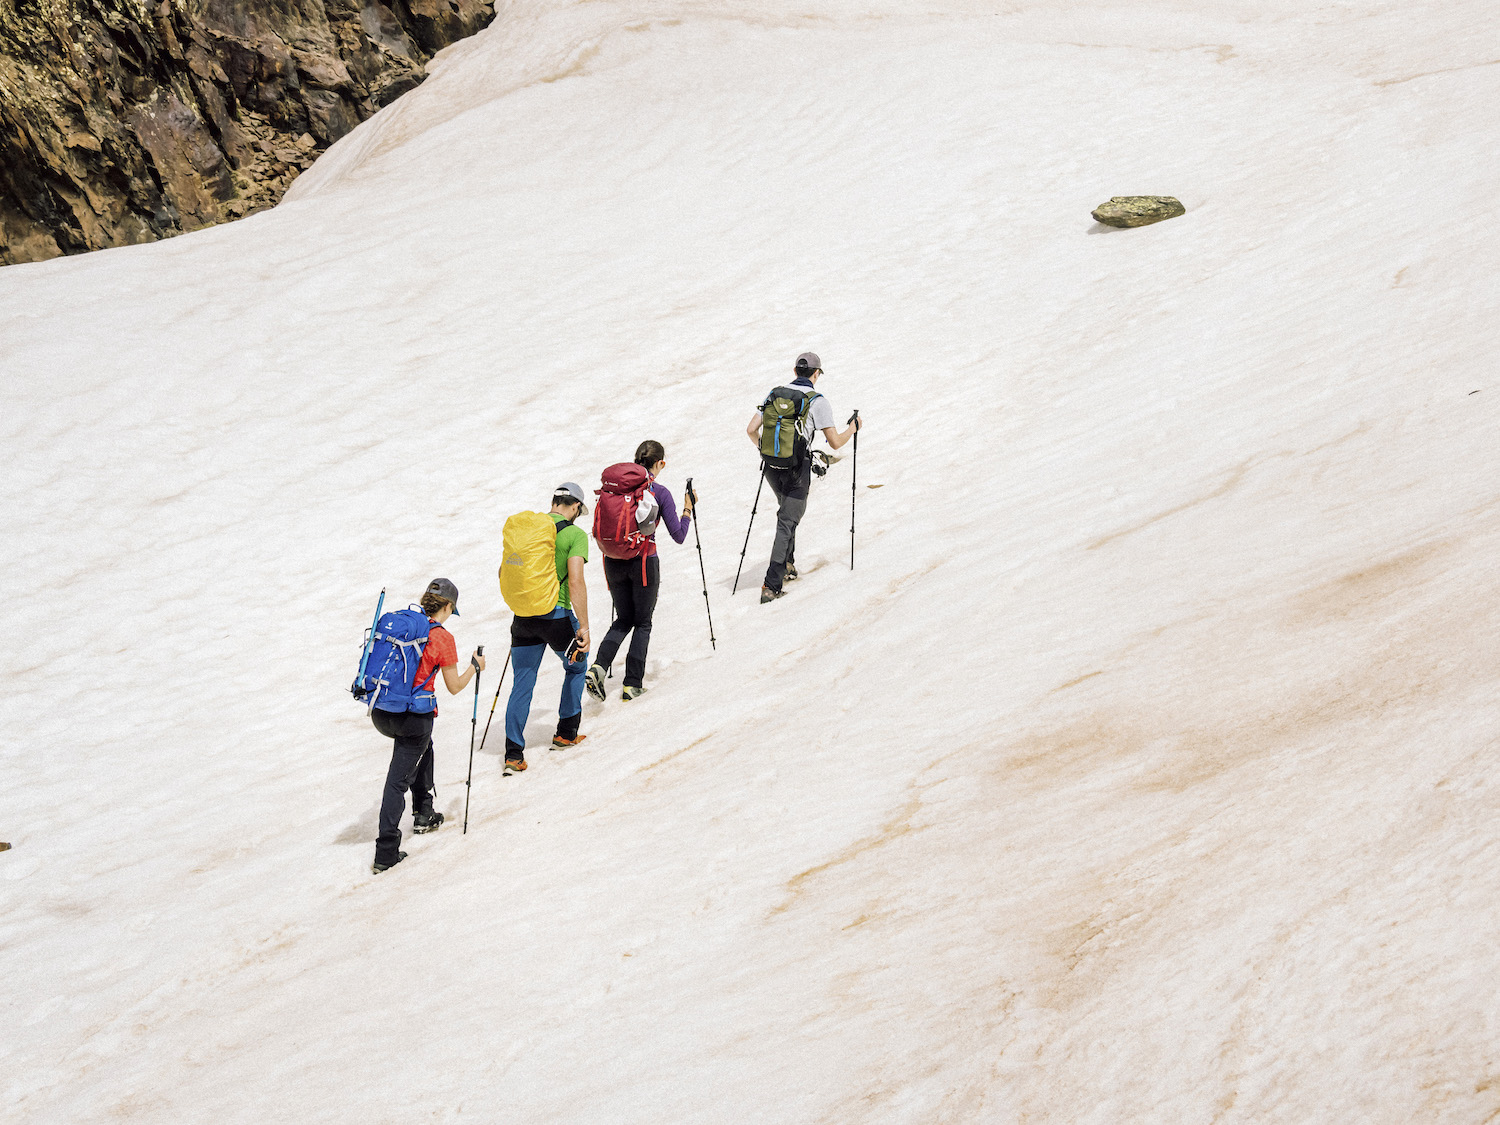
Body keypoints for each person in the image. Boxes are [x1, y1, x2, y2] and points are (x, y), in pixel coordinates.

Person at [372, 578, 485, 874]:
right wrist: (475, 666)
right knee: (397, 780)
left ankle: (424, 811)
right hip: (413, 718)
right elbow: (455, 686)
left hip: (381, 712)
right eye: (451, 609)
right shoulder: (443, 638)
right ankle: (386, 852)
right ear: (447, 606)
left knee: (425, 746)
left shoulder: (403, 624)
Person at [744, 352, 862, 603]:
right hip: (797, 469)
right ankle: (770, 585)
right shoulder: (817, 401)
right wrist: (853, 427)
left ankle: (787, 564)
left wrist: (767, 452)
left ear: (795, 371)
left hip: (771, 467)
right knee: (787, 521)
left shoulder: (773, 394)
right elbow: (835, 443)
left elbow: (751, 430)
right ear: (816, 374)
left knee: (786, 513)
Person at [585, 440, 695, 702]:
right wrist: (688, 509)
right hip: (643, 561)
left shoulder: (615, 489)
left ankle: (598, 668)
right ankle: (632, 683)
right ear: (660, 464)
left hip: (612, 560)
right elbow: (679, 535)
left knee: (624, 619)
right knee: (643, 622)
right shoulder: (660, 492)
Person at [503, 483, 592, 774]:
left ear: (554, 501)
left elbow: (505, 572)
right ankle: (566, 733)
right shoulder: (575, 534)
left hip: (523, 619)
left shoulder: (529, 530)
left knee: (522, 683)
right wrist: (586, 628)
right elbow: (576, 581)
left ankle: (513, 753)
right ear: (576, 507)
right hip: (556, 617)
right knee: (577, 666)